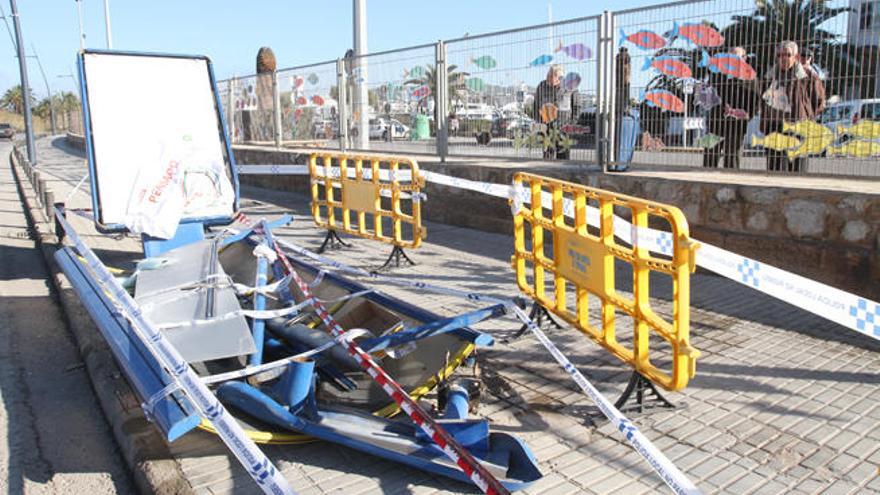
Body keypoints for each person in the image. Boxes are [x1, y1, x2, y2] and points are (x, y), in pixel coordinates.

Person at [759, 41, 814, 172]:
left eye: (787, 54)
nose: (783, 58)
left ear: (795, 56)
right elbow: (762, 98)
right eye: (779, 55)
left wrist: (805, 113)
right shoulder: (769, 76)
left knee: (797, 167)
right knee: (775, 167)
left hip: (797, 125)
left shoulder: (807, 76)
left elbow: (818, 99)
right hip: (774, 125)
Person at [702, 47, 759, 169]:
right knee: (709, 159)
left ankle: (729, 186)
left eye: (736, 56)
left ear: (744, 58)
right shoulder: (717, 75)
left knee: (731, 161)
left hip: (736, 126)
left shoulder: (750, 77)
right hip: (715, 123)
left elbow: (756, 102)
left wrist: (746, 115)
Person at [533, 64, 577, 159]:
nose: (548, 78)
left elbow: (576, 107)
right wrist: (539, 123)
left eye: (551, 76)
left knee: (563, 159)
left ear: (559, 78)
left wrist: (572, 124)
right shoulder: (541, 86)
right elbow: (535, 106)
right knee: (547, 158)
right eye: (548, 75)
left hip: (564, 128)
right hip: (547, 128)